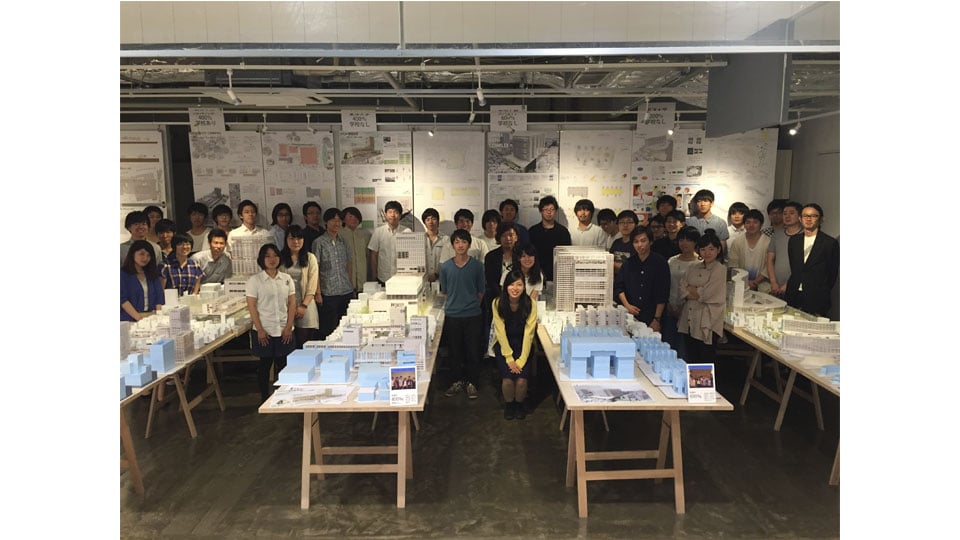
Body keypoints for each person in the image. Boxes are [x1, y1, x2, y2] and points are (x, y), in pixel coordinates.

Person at [246, 243, 297, 402]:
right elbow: (252, 306)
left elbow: (292, 303)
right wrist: (260, 329)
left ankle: (285, 397)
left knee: (284, 364)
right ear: (262, 259)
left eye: (275, 255)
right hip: (264, 330)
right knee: (265, 365)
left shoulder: (286, 279)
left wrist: (288, 326)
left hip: (284, 329)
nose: (272, 259)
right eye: (267, 256)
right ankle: (264, 398)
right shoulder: (255, 281)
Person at [440, 229, 486, 400]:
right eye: (457, 242)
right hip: (452, 315)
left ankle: (472, 383)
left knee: (473, 351)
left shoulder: (477, 266)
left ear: (469, 244)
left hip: (473, 315)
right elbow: (445, 292)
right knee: (454, 351)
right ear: (452, 245)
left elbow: (481, 291)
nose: (460, 245)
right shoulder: (445, 267)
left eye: (464, 242)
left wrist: (471, 306)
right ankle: (456, 381)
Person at [492, 269, 538, 420]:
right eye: (511, 284)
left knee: (521, 380)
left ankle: (519, 404)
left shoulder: (530, 304)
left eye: (519, 284)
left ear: (524, 286)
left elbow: (529, 334)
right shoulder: (497, 303)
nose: (515, 288)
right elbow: (500, 332)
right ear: (506, 286)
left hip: (524, 345)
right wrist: (509, 358)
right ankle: (509, 405)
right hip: (504, 345)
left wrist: (522, 360)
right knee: (507, 380)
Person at [678, 232, 727, 363]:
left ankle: (705, 378)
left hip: (708, 320)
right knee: (691, 358)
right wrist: (697, 290)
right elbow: (682, 289)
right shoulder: (693, 266)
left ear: (718, 250)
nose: (707, 253)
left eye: (711, 249)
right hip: (689, 317)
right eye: (703, 249)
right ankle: (691, 377)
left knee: (705, 358)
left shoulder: (720, 269)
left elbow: (708, 294)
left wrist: (692, 289)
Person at [785, 203, 839, 318]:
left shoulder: (829, 243)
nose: (808, 219)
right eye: (805, 216)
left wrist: (821, 288)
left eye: (813, 216)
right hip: (793, 293)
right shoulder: (794, 241)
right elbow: (794, 266)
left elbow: (832, 273)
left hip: (817, 296)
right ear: (800, 219)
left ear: (821, 219)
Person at [614, 227, 670, 333]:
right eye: (636, 242)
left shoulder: (660, 263)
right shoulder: (628, 263)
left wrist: (657, 319)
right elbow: (619, 287)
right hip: (631, 314)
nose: (639, 245)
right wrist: (627, 305)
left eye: (643, 241)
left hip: (652, 315)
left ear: (650, 242)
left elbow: (663, 293)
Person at [313, 209, 355, 340]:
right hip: (328, 293)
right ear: (326, 222)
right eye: (333, 220)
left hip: (346, 291)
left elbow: (348, 264)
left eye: (339, 220)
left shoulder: (344, 241)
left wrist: (351, 285)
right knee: (329, 329)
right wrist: (318, 293)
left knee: (346, 329)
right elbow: (315, 268)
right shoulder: (319, 242)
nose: (337, 223)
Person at [664, 227, 702, 358]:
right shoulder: (672, 261)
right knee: (668, 346)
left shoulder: (700, 263)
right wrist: (668, 304)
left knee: (684, 349)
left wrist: (683, 308)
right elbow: (666, 284)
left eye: (688, 240)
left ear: (695, 242)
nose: (684, 243)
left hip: (690, 311)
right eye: (681, 240)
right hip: (670, 308)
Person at [279, 225, 320, 347]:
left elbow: (312, 284)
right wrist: (290, 307)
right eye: (292, 238)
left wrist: (303, 306)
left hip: (306, 303)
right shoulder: (280, 258)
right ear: (286, 240)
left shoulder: (310, 258)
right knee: (288, 341)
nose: (296, 242)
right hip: (286, 305)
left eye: (299, 238)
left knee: (305, 341)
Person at [527, 195, 570, 282]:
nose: (549, 212)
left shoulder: (563, 232)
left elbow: (566, 256)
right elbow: (529, 253)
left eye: (552, 209)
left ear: (556, 211)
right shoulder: (533, 231)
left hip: (558, 273)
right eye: (546, 209)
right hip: (536, 273)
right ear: (541, 211)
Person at [368, 200, 412, 284]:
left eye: (396, 212)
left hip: (402, 278)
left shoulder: (407, 232)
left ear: (400, 215)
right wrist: (374, 276)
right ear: (385, 214)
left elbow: (411, 255)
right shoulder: (378, 232)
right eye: (390, 212)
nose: (392, 215)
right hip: (383, 278)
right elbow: (373, 254)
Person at [120, 240, 164, 322]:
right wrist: (140, 319)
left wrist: (158, 317)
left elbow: (159, 298)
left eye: (148, 255)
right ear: (133, 254)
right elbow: (123, 300)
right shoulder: (123, 274)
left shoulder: (152, 274)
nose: (145, 258)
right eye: (142, 254)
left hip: (152, 317)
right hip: (129, 319)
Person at [766, 201, 803, 297]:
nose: (787, 216)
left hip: (797, 286)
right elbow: (770, 260)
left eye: (791, 213)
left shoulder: (805, 236)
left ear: (800, 216)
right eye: (785, 213)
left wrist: (788, 285)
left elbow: (804, 265)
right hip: (776, 286)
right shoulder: (777, 235)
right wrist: (773, 282)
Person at [727, 209, 770, 291]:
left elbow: (769, 266)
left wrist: (755, 282)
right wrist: (744, 281)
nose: (751, 225)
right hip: (740, 282)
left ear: (761, 224)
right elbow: (733, 264)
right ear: (744, 224)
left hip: (763, 283)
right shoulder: (737, 242)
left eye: (755, 222)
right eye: (748, 222)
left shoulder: (768, 242)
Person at [484, 222, 520, 301]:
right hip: (496, 297)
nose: (508, 238)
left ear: (516, 237)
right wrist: (502, 295)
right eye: (504, 235)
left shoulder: (521, 255)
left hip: (518, 297)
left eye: (511, 235)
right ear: (499, 238)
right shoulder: (491, 256)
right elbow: (491, 280)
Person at [339, 206, 371, 294]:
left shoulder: (366, 234)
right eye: (350, 216)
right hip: (345, 280)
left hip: (363, 278)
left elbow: (369, 255)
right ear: (343, 219)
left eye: (356, 217)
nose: (354, 219)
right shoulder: (339, 234)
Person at [421, 207, 447, 283]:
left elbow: (447, 261)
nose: (431, 222)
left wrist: (436, 275)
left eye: (433, 219)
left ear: (438, 221)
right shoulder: (420, 239)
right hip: (423, 280)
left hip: (441, 280)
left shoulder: (446, 239)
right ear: (424, 222)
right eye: (427, 219)